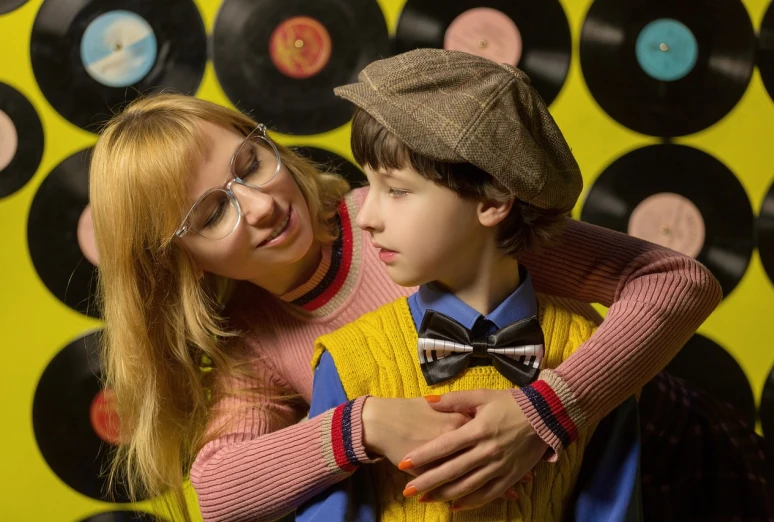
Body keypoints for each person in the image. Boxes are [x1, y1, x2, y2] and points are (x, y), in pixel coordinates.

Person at [89, 78, 721, 519]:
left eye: (249, 163)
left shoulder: (420, 216)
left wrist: (552, 408)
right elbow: (219, 492)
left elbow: (676, 280)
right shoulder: (252, 341)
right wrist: (362, 425)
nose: (259, 205)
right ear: (180, 265)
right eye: (209, 214)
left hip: (648, 455)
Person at [297, 48, 642, 521]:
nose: (366, 216)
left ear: (493, 198)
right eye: (368, 186)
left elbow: (612, 510)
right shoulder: (349, 362)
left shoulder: (600, 354)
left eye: (396, 190)